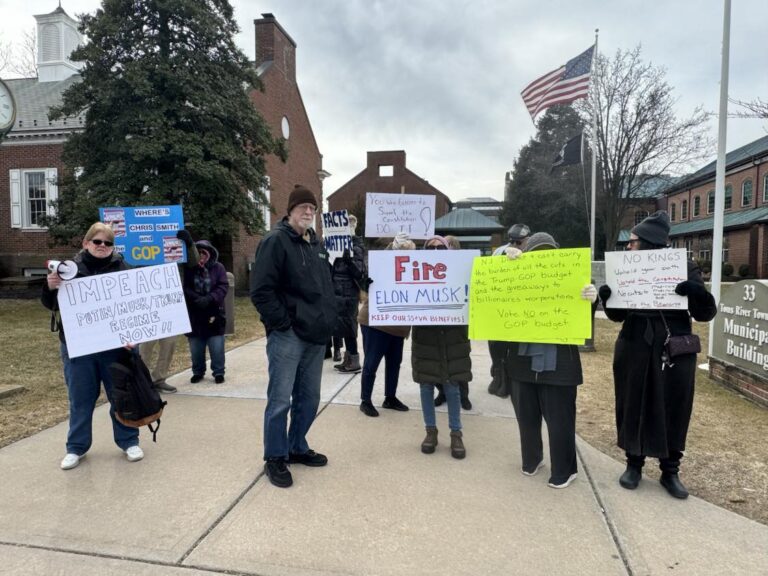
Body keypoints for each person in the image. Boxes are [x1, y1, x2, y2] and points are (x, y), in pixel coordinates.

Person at [599, 211, 716, 499]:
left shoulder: (683, 267)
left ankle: (670, 470)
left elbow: (706, 313)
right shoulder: (626, 268)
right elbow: (617, 315)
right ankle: (634, 463)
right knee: (632, 401)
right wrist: (608, 297)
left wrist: (696, 293)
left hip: (672, 347)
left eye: (633, 241)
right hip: (635, 343)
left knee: (673, 405)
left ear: (648, 243)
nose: (628, 246)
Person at [250, 184, 337, 488]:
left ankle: (296, 446)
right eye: (303, 207)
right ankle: (275, 456)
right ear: (290, 210)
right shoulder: (276, 241)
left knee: (309, 397)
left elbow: (324, 287)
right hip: (288, 336)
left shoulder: (315, 244)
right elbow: (261, 290)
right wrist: (282, 324)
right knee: (279, 400)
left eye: (312, 209)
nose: (308, 212)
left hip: (315, 337)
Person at [41, 222, 143, 470]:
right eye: (97, 242)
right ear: (86, 243)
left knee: (121, 396)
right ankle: (75, 448)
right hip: (79, 347)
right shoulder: (69, 270)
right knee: (80, 399)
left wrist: (134, 336)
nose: (102, 246)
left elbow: (134, 306)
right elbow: (50, 304)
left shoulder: (123, 268)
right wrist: (50, 287)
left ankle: (129, 441)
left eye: (108, 243)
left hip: (114, 348)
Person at [504, 232, 597, 489]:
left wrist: (592, 299)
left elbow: (582, 318)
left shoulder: (572, 277)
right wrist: (504, 259)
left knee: (560, 422)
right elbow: (493, 292)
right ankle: (531, 459)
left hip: (560, 364)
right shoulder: (517, 277)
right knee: (527, 417)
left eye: (548, 251)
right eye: (536, 252)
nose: (543, 256)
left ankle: (565, 470)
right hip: (521, 362)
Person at [412, 234, 472, 459]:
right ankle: (431, 431)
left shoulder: (462, 272)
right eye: (431, 248)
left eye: (441, 248)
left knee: (452, 387)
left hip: (452, 337)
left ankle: (456, 434)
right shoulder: (415, 273)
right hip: (425, 339)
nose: (436, 251)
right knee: (426, 386)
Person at [357, 232, 414, 417]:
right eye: (404, 250)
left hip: (397, 325)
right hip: (376, 322)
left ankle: (390, 397)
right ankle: (365, 400)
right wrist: (393, 248)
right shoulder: (384, 265)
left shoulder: (414, 271)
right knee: (372, 363)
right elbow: (381, 263)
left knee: (394, 363)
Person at [139, 229, 199, 393]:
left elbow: (194, 263)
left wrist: (189, 244)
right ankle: (143, 380)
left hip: (170, 303)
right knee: (146, 345)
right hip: (146, 303)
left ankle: (159, 378)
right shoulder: (139, 249)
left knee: (169, 343)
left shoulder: (175, 247)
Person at [488, 223, 531, 399]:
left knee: (512, 348)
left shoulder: (532, 253)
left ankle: (508, 379)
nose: (518, 244)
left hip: (520, 308)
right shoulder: (499, 252)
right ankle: (499, 377)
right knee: (497, 346)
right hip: (501, 306)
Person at [434, 234, 473, 411]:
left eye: (446, 246)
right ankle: (441, 391)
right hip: (437, 321)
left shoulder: (465, 265)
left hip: (458, 320)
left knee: (459, 359)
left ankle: (463, 395)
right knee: (437, 360)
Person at [183, 239, 229, 384]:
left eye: (204, 253)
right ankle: (198, 371)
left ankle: (218, 372)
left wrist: (209, 298)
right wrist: (196, 298)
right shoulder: (188, 268)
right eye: (198, 253)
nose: (201, 256)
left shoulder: (219, 268)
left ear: (209, 254)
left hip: (214, 312)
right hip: (195, 313)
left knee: (217, 347)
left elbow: (223, 286)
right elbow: (185, 287)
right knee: (196, 347)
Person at [332, 214, 366, 374]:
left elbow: (359, 272)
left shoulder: (356, 247)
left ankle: (354, 360)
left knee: (349, 326)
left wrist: (349, 259)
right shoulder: (335, 245)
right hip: (337, 291)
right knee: (342, 327)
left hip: (348, 293)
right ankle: (348, 358)